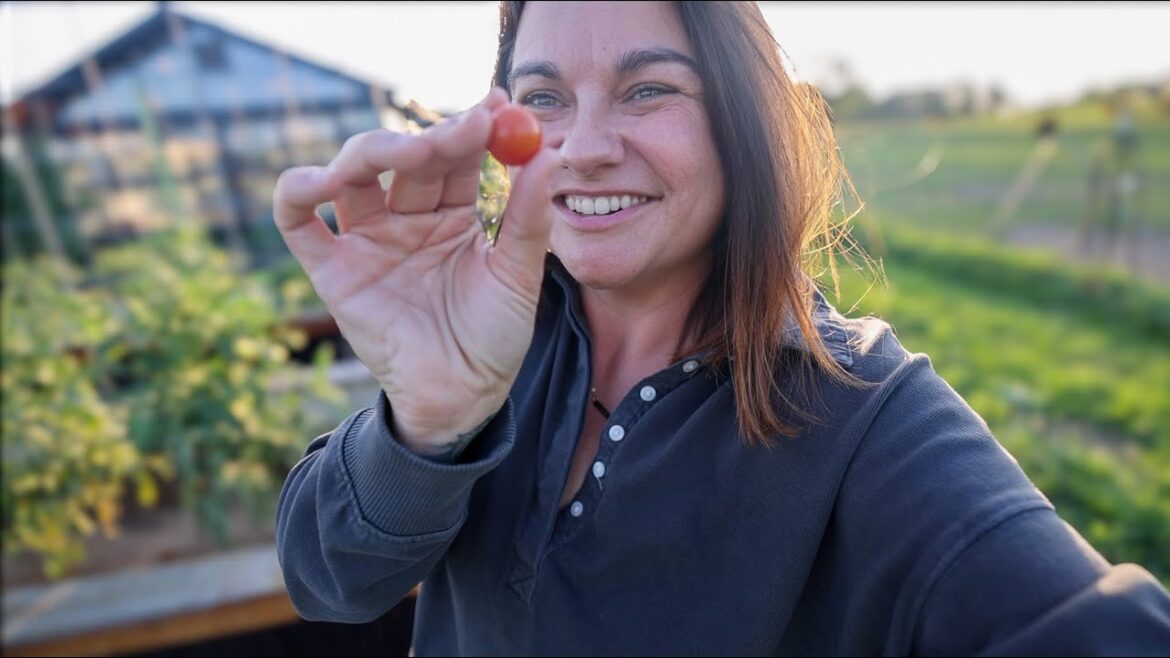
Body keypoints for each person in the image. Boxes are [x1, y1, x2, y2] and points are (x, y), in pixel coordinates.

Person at [273, 2, 1170, 655]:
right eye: (543, 98)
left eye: (648, 88)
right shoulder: (490, 335)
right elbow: (328, 584)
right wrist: (427, 424)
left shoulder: (864, 417)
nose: (584, 146)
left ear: (743, 117)